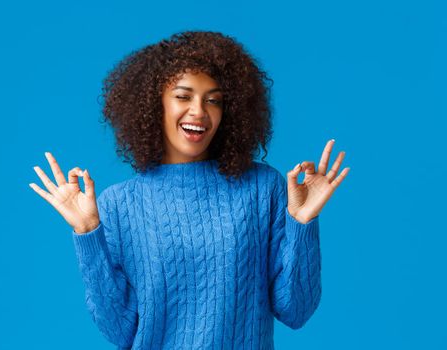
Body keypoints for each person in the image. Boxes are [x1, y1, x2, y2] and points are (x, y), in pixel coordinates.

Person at [29, 30, 349, 350]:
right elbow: (120, 331)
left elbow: (296, 311)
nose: (199, 111)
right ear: (155, 105)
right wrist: (87, 233)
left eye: (213, 100)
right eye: (183, 96)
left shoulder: (262, 188)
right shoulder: (119, 203)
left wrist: (302, 222)